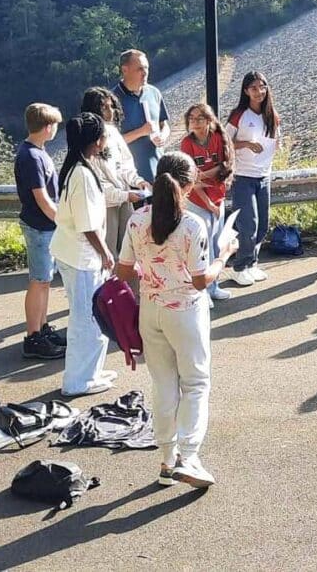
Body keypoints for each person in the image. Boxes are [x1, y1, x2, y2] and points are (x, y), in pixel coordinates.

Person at [117, 152, 235, 489]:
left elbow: (123, 270)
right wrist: (224, 256)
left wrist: (150, 268)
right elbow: (200, 281)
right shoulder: (191, 225)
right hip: (185, 311)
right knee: (194, 383)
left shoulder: (137, 219)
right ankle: (190, 456)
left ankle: (167, 460)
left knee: (163, 383)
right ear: (189, 184)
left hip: (150, 309)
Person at [49, 113, 116, 397]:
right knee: (87, 320)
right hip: (82, 257)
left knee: (88, 317)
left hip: (73, 253)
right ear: (97, 141)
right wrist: (106, 254)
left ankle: (91, 372)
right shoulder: (83, 174)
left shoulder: (78, 167)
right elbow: (87, 225)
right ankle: (79, 381)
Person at [13, 102, 66, 359]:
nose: (56, 129)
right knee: (39, 281)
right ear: (47, 127)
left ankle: (42, 328)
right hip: (39, 226)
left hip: (44, 226)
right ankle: (33, 336)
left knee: (44, 281)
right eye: (54, 125)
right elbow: (42, 198)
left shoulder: (37, 151)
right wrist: (62, 221)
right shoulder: (31, 157)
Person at [226, 71, 280, 287]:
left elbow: (276, 139)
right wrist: (246, 144)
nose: (259, 92)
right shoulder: (239, 115)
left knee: (263, 224)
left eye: (262, 87)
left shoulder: (272, 115)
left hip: (263, 175)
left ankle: (252, 263)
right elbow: (224, 143)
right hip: (243, 176)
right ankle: (239, 267)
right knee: (248, 223)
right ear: (246, 91)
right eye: (254, 88)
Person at [81, 87, 151, 254]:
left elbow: (125, 163)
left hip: (124, 198)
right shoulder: (86, 138)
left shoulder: (113, 131)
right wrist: (124, 195)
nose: (110, 111)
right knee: (108, 252)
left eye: (111, 106)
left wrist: (138, 181)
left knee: (130, 249)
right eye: (104, 107)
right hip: (105, 205)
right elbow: (96, 182)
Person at [180, 103, 234, 302]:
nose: (194, 122)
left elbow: (224, 166)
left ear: (209, 120)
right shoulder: (187, 144)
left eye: (199, 118)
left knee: (217, 242)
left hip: (217, 197)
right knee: (204, 246)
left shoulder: (218, 138)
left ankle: (214, 286)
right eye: (191, 119)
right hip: (198, 201)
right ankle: (203, 291)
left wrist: (204, 175)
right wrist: (208, 203)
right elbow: (192, 181)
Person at [114, 49, 171, 182]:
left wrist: (163, 136)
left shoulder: (154, 93)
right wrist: (141, 132)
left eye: (146, 68)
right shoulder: (111, 101)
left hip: (160, 173)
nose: (145, 73)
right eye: (140, 69)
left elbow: (164, 125)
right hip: (132, 180)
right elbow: (110, 143)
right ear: (125, 70)